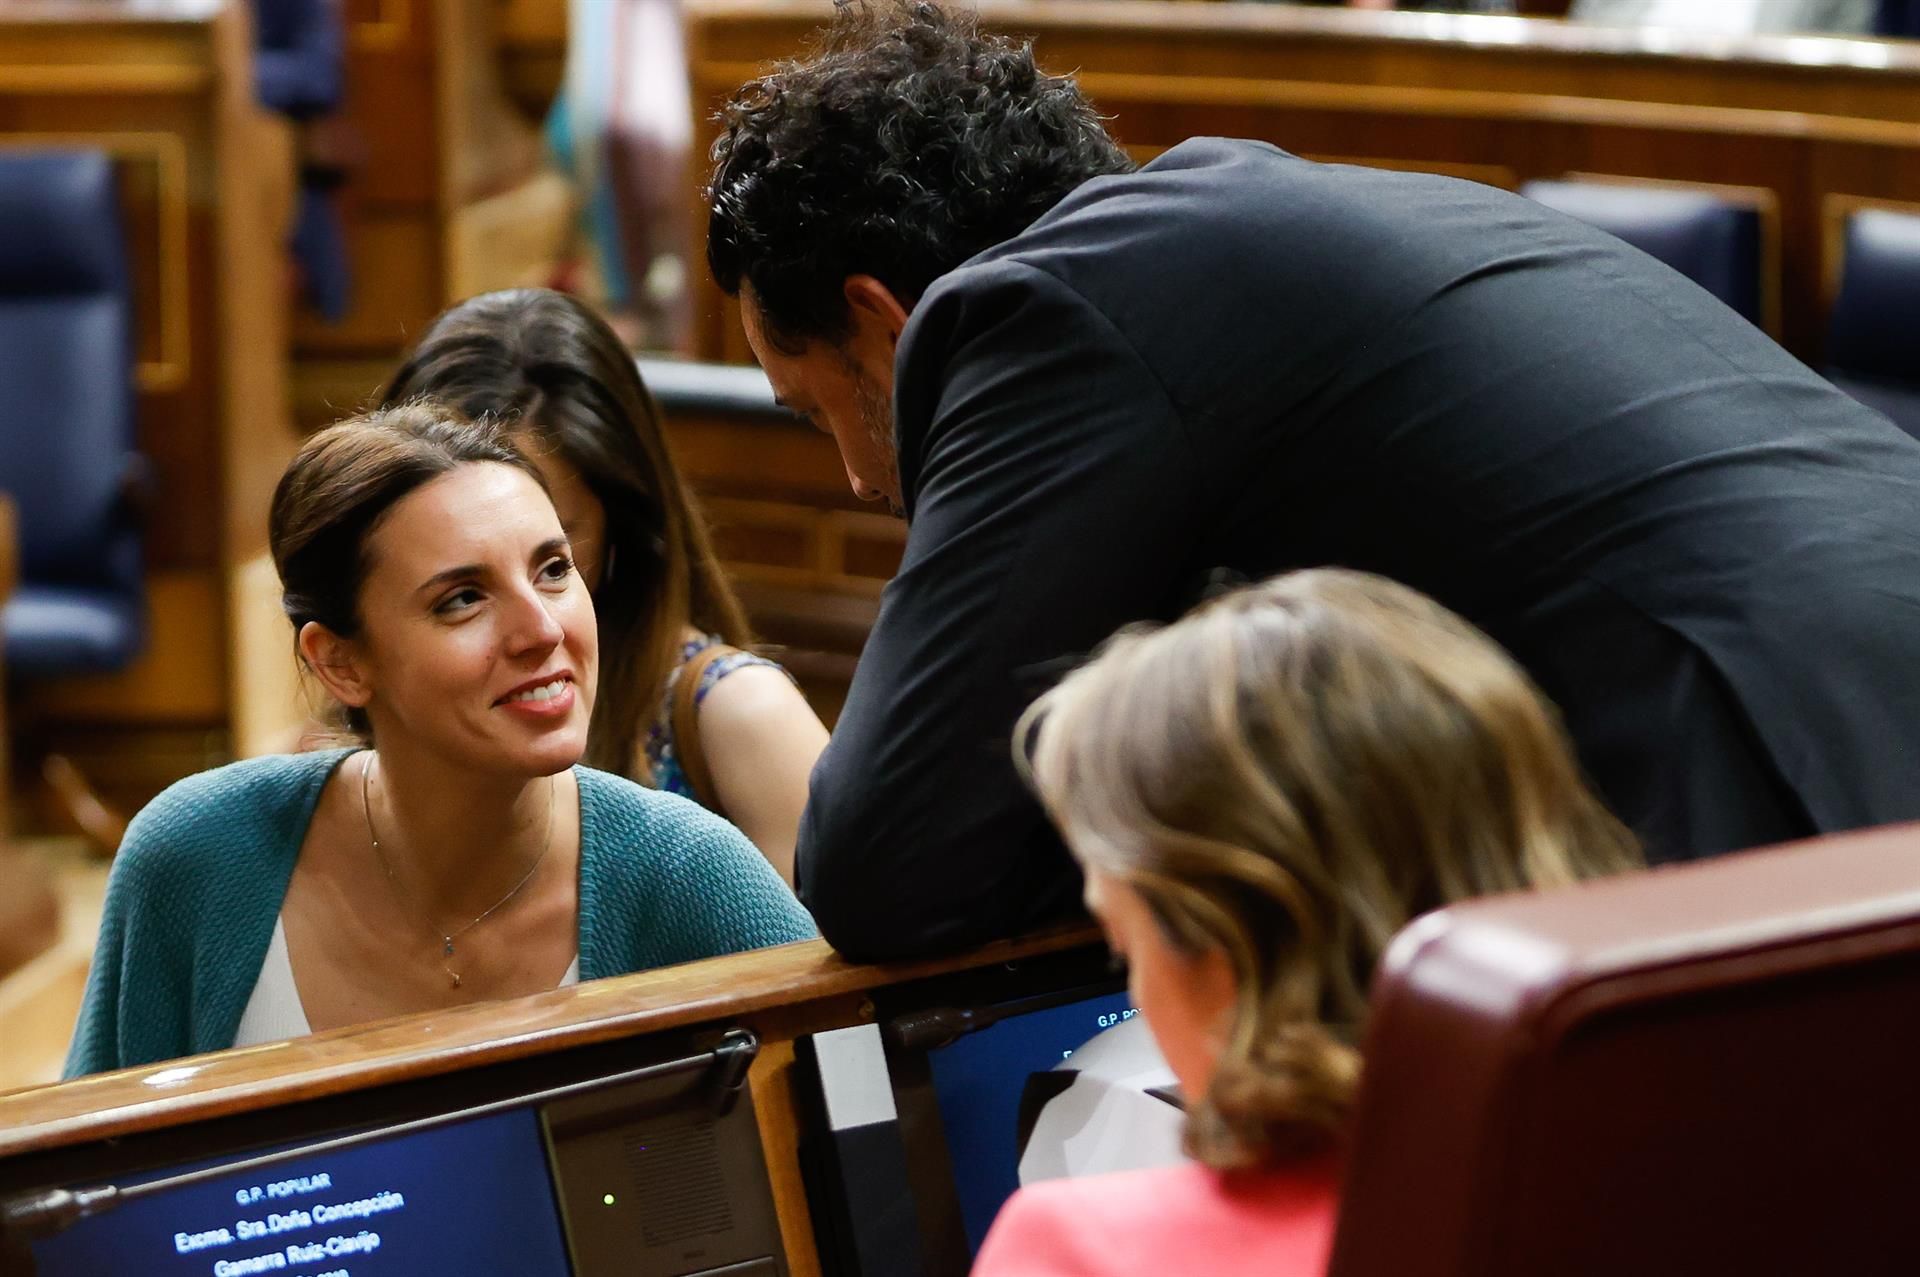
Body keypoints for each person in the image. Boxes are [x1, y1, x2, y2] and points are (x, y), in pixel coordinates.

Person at [704, 0, 1920, 961]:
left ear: (882, 312)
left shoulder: (1043, 311)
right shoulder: (1226, 238)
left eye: (818, 410)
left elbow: (882, 864)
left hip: (1785, 755)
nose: (863, 477)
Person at [64, 405, 815, 1077]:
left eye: (553, 569)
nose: (543, 629)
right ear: (340, 662)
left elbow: (869, 1141)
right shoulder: (194, 856)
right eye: (463, 599)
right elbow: (82, 1191)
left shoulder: (692, 873)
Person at [971, 569, 1640, 1276]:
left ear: (1226, 952)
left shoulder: (1081, 1249)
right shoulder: (1696, 1171)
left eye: (1125, 945)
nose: (1138, 992)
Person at [382, 289, 828, 882]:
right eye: (462, 589)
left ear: (622, 525)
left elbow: (824, 969)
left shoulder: (741, 714)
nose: (531, 626)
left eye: (552, 560)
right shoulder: (333, 762)